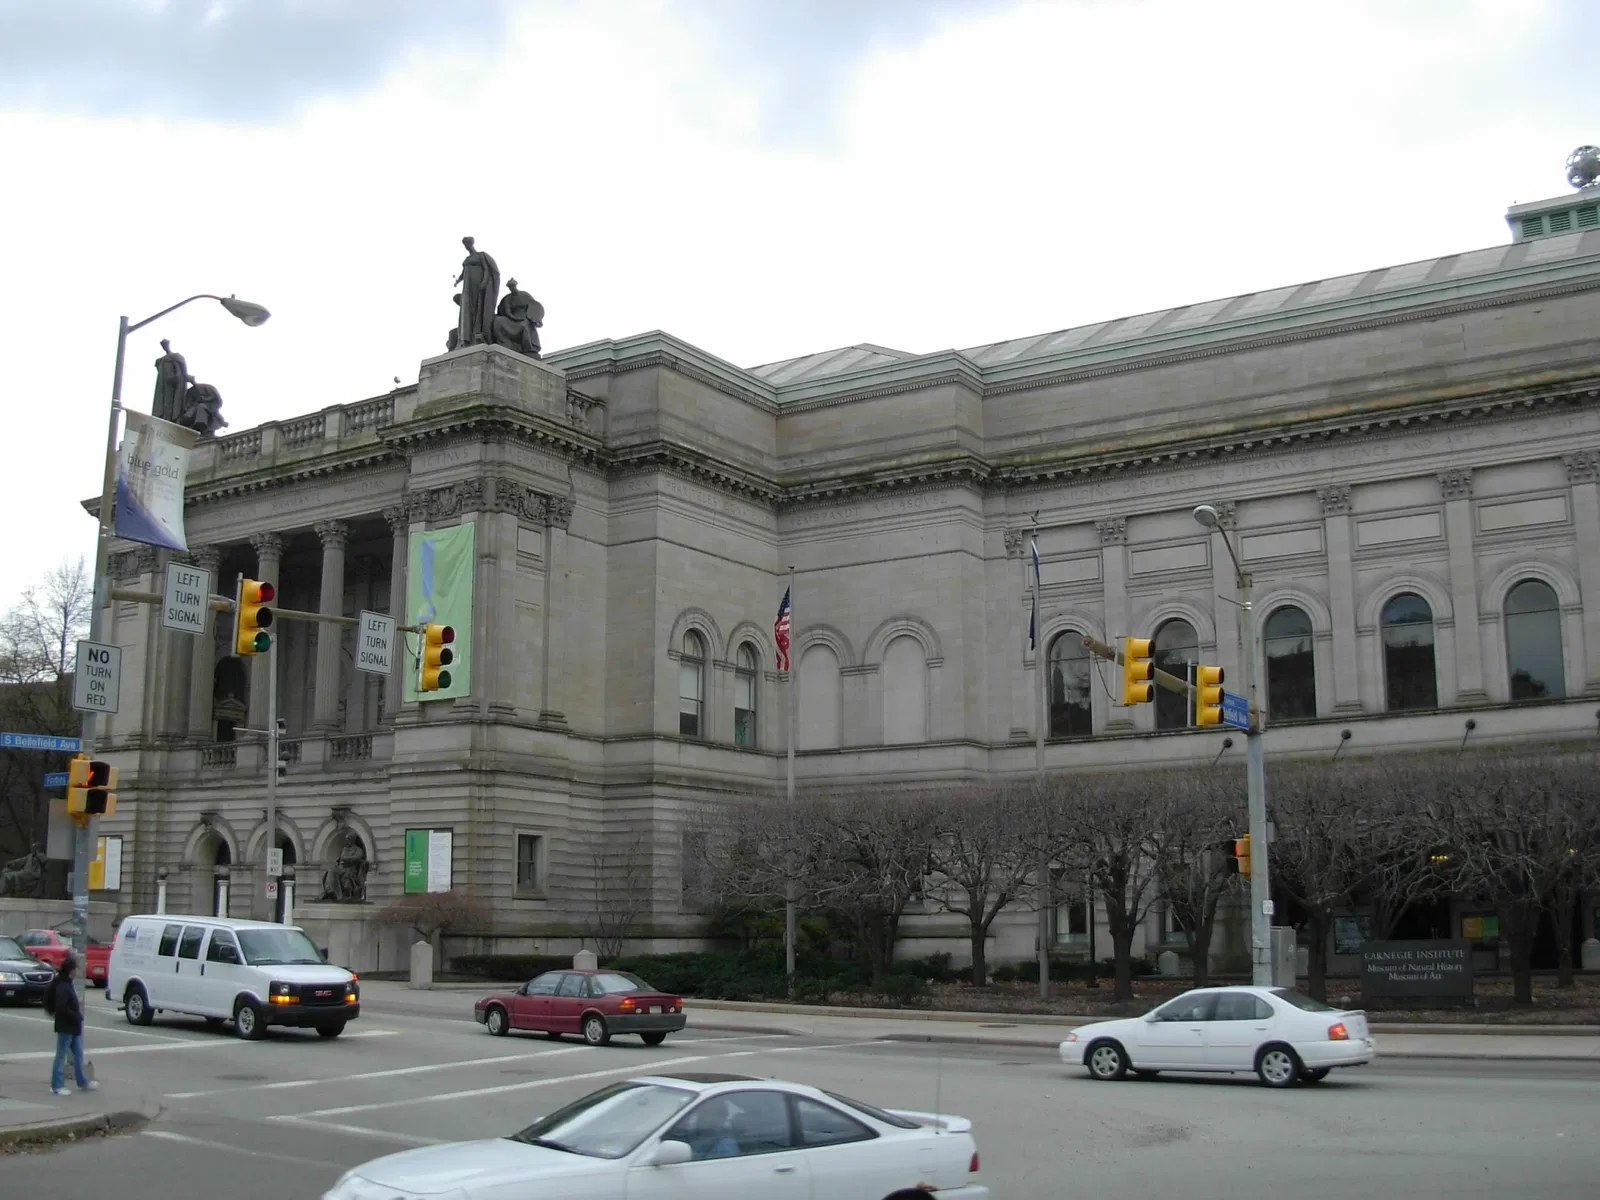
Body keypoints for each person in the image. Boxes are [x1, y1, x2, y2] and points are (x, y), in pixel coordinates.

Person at [45, 955, 95, 1096]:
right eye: (75, 969)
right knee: (61, 1055)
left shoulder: (66, 983)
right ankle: (56, 1086)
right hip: (66, 1026)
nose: (77, 972)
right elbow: (61, 1007)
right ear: (71, 970)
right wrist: (76, 1016)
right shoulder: (63, 986)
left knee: (78, 1055)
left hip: (72, 1026)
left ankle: (82, 1081)